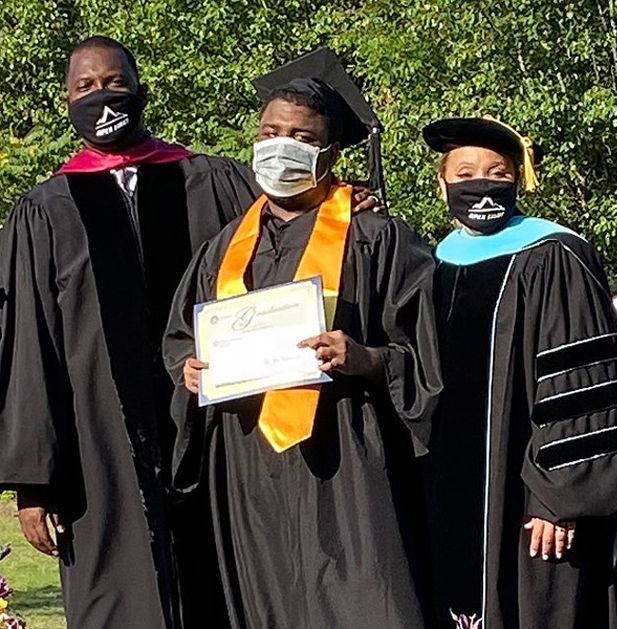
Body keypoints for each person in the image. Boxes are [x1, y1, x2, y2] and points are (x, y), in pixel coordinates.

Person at [0, 37, 382, 629]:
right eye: (85, 88)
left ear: (141, 90)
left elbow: (295, 224)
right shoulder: (43, 210)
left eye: (115, 83)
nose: (102, 97)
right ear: (66, 100)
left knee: (227, 588)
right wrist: (34, 481)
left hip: (219, 434)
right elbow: (30, 345)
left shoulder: (215, 181)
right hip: (101, 450)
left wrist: (342, 200)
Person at [163, 48, 442, 629]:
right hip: (247, 467)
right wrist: (188, 370)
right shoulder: (220, 249)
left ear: (329, 153)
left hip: (347, 459)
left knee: (368, 604)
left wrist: (366, 359)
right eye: (269, 131)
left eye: (299, 136)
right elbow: (180, 339)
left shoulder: (378, 238)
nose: (279, 145)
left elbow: (430, 358)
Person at [420, 116, 617, 629]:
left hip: (530, 502)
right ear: (442, 182)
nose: (481, 182)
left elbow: (582, 384)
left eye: (497, 171)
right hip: (453, 495)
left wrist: (561, 496)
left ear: (518, 179)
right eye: (465, 170)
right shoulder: (436, 262)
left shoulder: (554, 254)